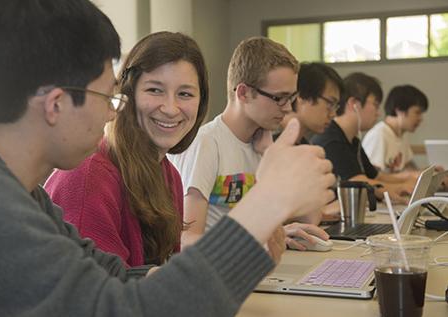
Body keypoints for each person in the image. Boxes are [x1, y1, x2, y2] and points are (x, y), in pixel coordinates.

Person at [0, 1, 335, 316]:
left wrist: (243, 256)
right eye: (107, 97)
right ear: (56, 104)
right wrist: (267, 202)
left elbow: (110, 278)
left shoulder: (21, 193)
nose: (112, 114)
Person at [44, 31, 208, 267]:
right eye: (155, 90)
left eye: (185, 94)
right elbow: (99, 295)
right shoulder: (92, 175)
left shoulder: (168, 174)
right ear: (127, 94)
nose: (171, 108)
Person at [170, 37, 328, 249]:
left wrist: (271, 155)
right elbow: (186, 241)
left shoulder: (263, 144)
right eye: (279, 98)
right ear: (243, 93)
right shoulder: (206, 144)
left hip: (252, 265)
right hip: (216, 272)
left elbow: (311, 218)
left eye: (291, 98)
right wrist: (255, 240)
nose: (288, 108)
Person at [311, 72, 415, 203]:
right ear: (354, 103)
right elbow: (357, 181)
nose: (378, 113)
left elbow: (376, 176)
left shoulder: (353, 140)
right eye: (375, 105)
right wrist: (398, 188)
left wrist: (409, 179)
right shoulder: (331, 139)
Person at [276, 62, 344, 219]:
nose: (333, 114)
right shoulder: (271, 142)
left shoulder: (304, 145)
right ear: (302, 98)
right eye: (330, 104)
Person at [362, 85, 428, 173]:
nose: (420, 119)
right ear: (399, 110)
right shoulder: (378, 135)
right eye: (417, 112)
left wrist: (429, 172)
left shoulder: (402, 134)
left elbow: (407, 168)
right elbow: (372, 178)